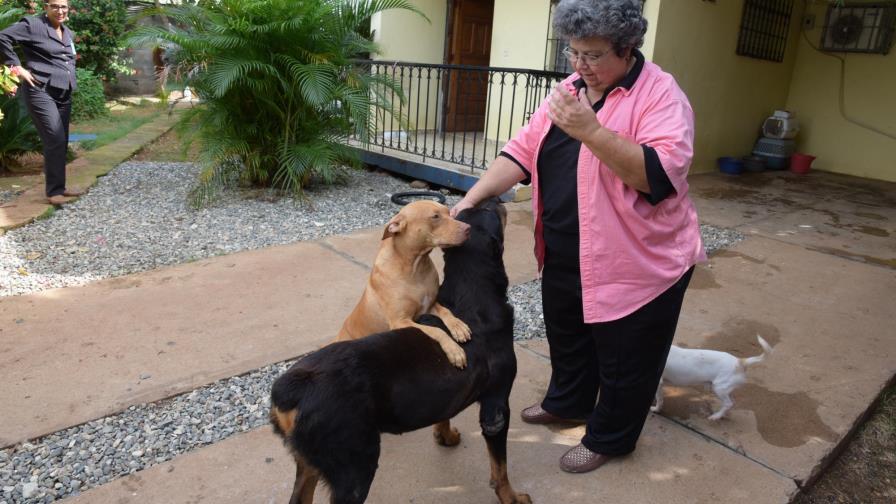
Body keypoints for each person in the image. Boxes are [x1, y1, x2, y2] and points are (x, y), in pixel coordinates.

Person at [451, 0, 706, 474]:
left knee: (625, 358)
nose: (578, 65)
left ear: (627, 48)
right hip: (567, 249)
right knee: (569, 336)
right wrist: (471, 199)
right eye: (572, 52)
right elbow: (522, 151)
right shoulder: (570, 89)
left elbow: (657, 175)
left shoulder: (661, 96)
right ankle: (569, 401)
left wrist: (590, 130)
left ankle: (611, 436)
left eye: (591, 55)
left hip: (639, 261)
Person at [0, 0, 81, 205]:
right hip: (40, 90)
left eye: (63, 6)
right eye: (55, 6)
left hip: (64, 92)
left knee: (61, 140)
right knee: (54, 137)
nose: (60, 10)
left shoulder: (66, 31)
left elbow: (67, 59)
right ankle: (53, 192)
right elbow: (2, 36)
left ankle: (59, 187)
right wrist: (17, 67)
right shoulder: (32, 25)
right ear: (46, 6)